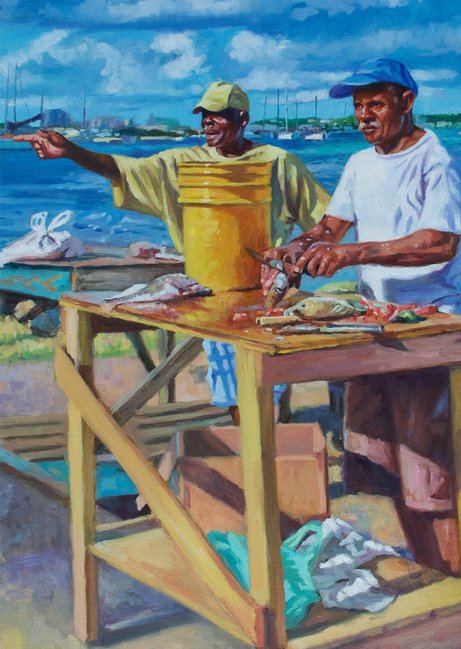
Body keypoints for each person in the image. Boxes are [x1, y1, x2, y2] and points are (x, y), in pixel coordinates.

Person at [262, 58, 461, 575]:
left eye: (375, 103)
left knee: (426, 469)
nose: (363, 116)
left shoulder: (437, 159)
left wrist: (355, 254)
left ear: (407, 101)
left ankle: (451, 577)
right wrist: (295, 249)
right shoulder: (359, 163)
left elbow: (440, 242)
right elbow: (331, 227)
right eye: (358, 106)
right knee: (375, 460)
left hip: (428, 324)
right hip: (373, 323)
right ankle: (421, 567)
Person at [19, 81, 329, 409]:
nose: (208, 121)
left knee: (265, 384)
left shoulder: (279, 162)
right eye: (204, 115)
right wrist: (71, 151)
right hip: (211, 293)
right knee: (232, 387)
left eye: (219, 114)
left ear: (243, 119)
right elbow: (124, 170)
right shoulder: (184, 162)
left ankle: (264, 427)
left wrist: (298, 254)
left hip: (266, 295)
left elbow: (326, 221)